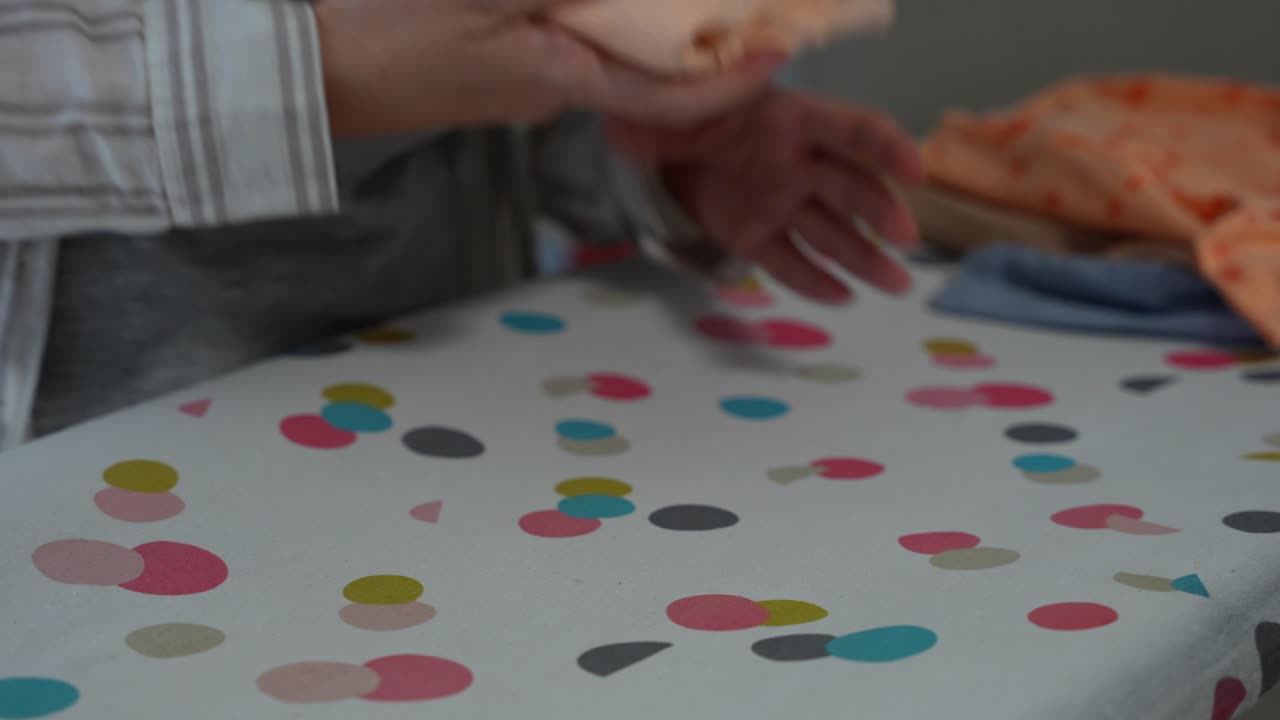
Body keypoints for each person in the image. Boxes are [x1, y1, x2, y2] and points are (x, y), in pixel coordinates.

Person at [0, 0, 923, 448]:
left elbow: (492, 85)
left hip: (469, 439)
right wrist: (316, 71)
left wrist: (661, 159)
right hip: (91, 481)